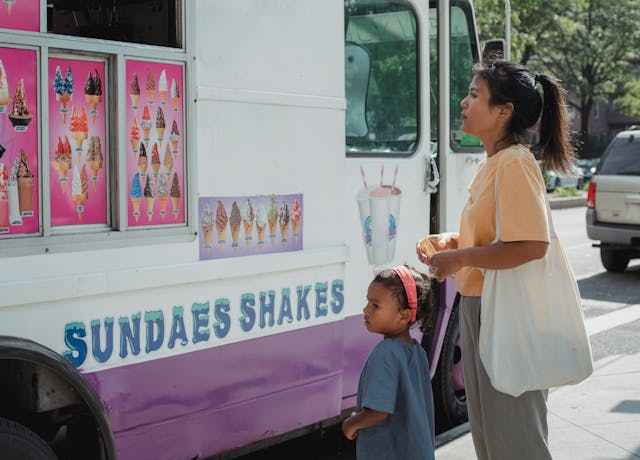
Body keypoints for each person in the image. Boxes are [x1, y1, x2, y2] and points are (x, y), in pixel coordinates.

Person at [417, 60, 574, 459]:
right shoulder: (497, 163)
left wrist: (461, 257)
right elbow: (500, 238)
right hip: (481, 308)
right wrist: (452, 244)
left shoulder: (515, 164)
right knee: (493, 440)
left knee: (515, 442)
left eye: (474, 94)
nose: (464, 102)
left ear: (503, 112)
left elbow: (530, 245)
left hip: (503, 313)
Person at [341, 265, 435, 460]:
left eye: (375, 305)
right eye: (368, 302)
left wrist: (352, 423)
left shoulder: (385, 353)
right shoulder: (418, 352)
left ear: (404, 315)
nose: (365, 310)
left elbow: (379, 410)